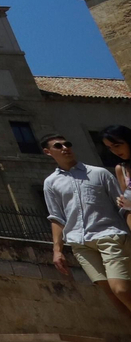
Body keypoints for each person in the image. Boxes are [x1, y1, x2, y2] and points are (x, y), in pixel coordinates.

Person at [41, 133, 131, 321]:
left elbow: (123, 207)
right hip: (79, 243)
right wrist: (57, 250)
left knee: (120, 289)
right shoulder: (50, 183)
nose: (65, 148)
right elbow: (56, 217)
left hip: (110, 235)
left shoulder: (99, 173)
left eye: (67, 144)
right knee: (111, 295)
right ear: (48, 152)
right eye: (58, 146)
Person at [100, 124, 131, 232]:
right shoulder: (121, 169)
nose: (114, 151)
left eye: (117, 145)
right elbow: (127, 207)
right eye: (109, 148)